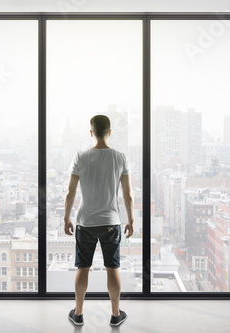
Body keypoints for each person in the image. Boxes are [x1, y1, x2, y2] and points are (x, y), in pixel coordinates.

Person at [64, 115, 134, 327]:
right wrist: (130, 220)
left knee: (82, 268)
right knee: (112, 268)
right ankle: (115, 315)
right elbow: (127, 194)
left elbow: (71, 191)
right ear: (109, 132)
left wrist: (66, 218)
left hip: (85, 222)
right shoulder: (120, 157)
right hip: (111, 222)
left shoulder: (81, 156)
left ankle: (78, 313)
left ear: (91, 132)